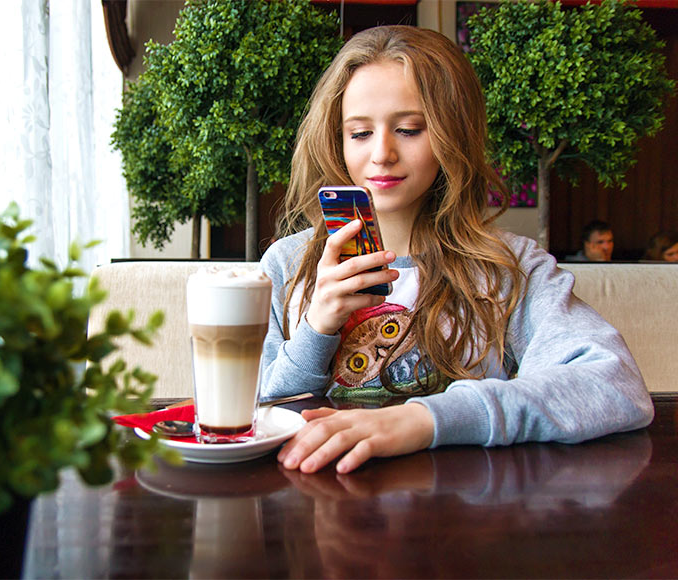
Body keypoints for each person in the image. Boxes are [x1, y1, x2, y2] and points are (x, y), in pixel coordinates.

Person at [259, 26, 653, 475]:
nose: (382, 153)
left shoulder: (508, 268)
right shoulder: (288, 265)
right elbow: (246, 417)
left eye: (409, 129)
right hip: (315, 513)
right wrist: (315, 331)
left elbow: (615, 385)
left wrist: (427, 419)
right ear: (337, 139)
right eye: (360, 133)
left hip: (461, 517)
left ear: (454, 134)